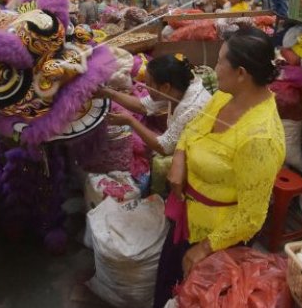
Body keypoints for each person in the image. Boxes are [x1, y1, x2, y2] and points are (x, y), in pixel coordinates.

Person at [153, 28, 286, 308]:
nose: (213, 68)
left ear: (241, 73)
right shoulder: (226, 96)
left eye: (219, 61)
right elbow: (193, 129)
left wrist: (204, 248)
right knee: (167, 288)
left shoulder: (260, 138)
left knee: (196, 298)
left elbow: (251, 217)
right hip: (187, 218)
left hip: (217, 240)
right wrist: (179, 159)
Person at [101, 54, 212, 156]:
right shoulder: (177, 88)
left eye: (149, 85)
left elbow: (165, 148)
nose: (144, 87)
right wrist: (108, 93)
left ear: (165, 87)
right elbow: (142, 106)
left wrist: (130, 121)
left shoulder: (192, 107)